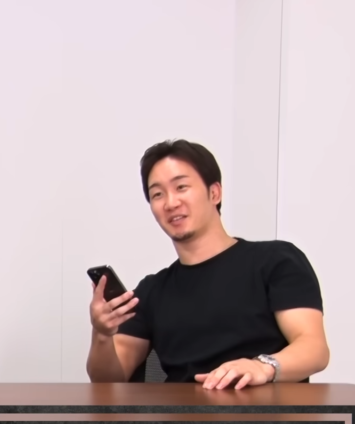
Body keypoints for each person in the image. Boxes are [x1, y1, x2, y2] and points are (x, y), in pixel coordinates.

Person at [86, 139, 330, 388]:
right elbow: (108, 381)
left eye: (181, 187)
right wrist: (102, 334)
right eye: (157, 194)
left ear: (214, 193)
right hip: (182, 413)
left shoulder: (276, 261)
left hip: (263, 410)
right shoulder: (151, 291)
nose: (171, 203)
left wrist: (261, 367)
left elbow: (314, 348)